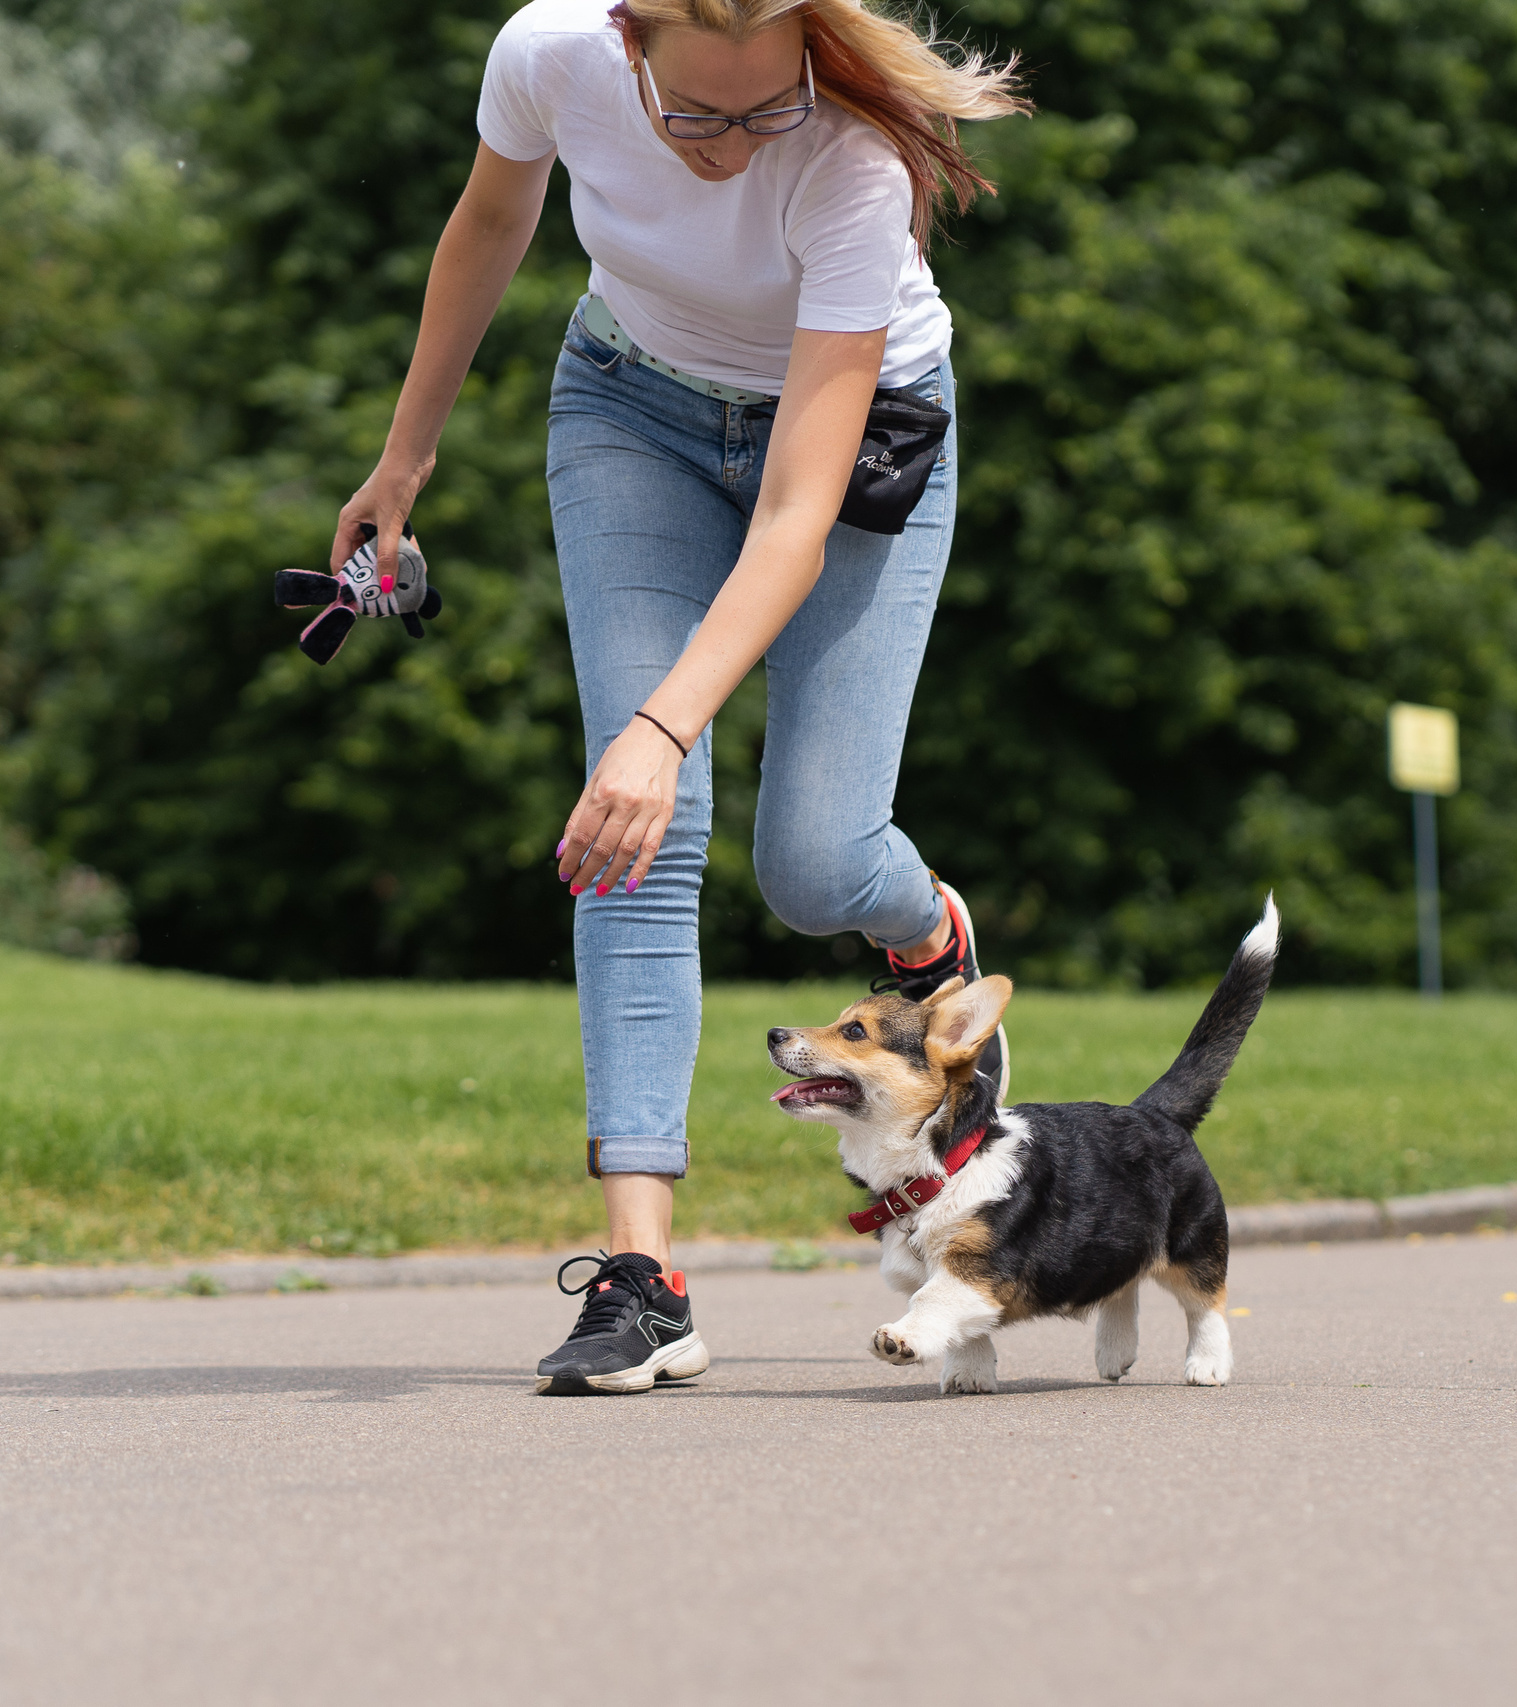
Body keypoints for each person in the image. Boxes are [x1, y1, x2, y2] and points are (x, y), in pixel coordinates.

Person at [333, 0, 1028, 1393]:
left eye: (760, 112)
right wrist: (404, 462)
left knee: (815, 860)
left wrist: (666, 728)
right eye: (691, 117)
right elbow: (486, 226)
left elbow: (793, 522)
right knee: (632, 835)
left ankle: (927, 930)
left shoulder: (852, 162)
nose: (725, 148)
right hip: (627, 410)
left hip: (854, 447)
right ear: (630, 43)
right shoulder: (552, 53)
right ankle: (641, 1282)